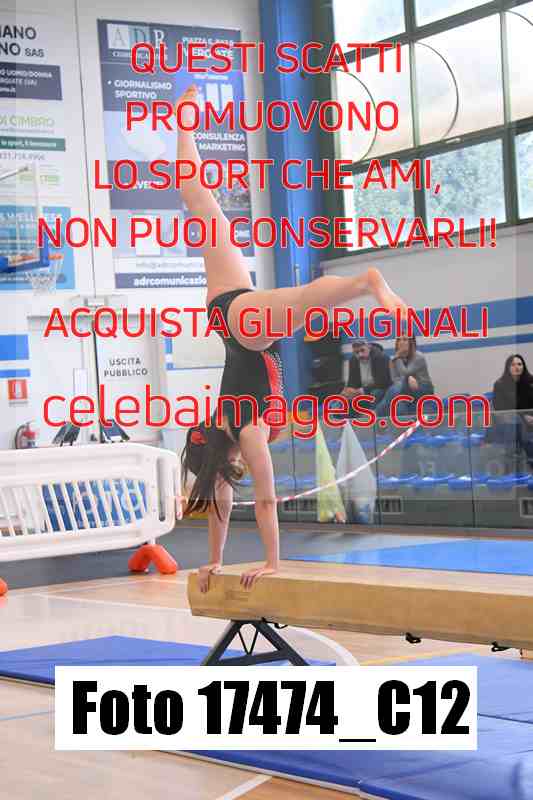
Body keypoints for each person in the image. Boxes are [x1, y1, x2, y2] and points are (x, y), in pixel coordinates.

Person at [177, 85, 408, 593]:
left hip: (247, 332)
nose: (236, 471)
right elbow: (220, 504)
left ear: (224, 458)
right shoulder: (224, 427)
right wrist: (213, 562)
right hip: (226, 314)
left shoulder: (249, 434)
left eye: (228, 469)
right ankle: (184, 126)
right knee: (201, 204)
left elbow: (263, 500)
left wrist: (271, 563)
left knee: (302, 300)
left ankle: (366, 281)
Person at [488, 354, 533, 468]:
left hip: (530, 421)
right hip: (510, 423)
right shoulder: (500, 384)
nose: (517, 367)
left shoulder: (531, 382)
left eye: (519, 364)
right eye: (513, 365)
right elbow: (500, 408)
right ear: (507, 367)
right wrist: (524, 416)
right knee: (518, 424)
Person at [375, 335, 434, 419]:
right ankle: (400, 424)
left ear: (411, 343)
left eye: (405, 339)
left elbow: (405, 372)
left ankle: (376, 415)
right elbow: (394, 379)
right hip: (405, 389)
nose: (401, 342)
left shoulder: (418, 356)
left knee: (396, 389)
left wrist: (398, 358)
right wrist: (406, 379)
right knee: (399, 402)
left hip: (422, 387)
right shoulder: (394, 359)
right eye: (399, 340)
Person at [342, 339, 391, 412]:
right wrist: (349, 390)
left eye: (362, 350)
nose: (360, 355)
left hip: (381, 389)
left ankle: (373, 414)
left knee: (376, 393)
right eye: (357, 352)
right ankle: (340, 416)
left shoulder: (381, 357)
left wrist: (361, 390)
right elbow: (352, 382)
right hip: (362, 390)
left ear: (369, 347)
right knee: (343, 396)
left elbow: (383, 382)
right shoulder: (353, 360)